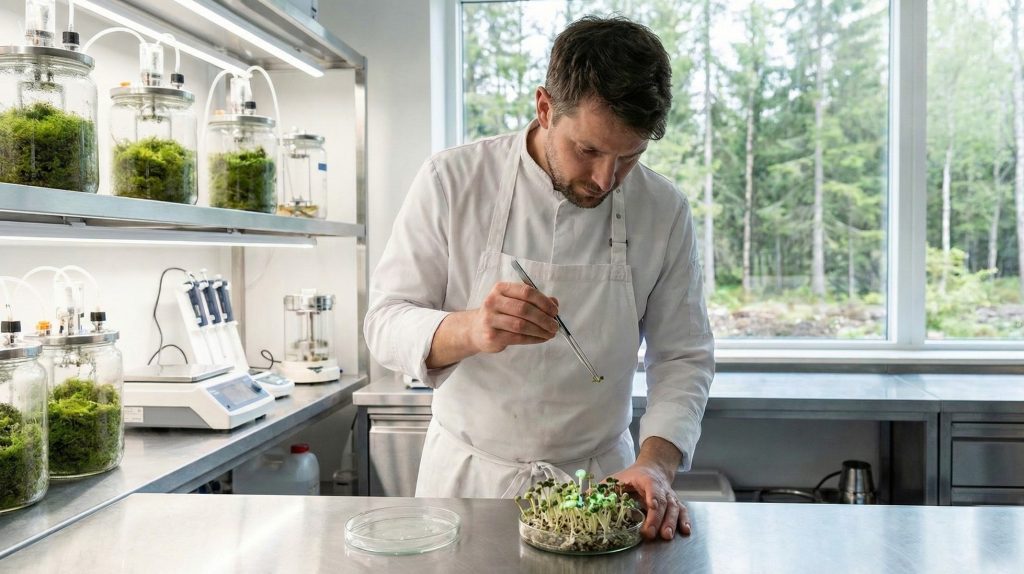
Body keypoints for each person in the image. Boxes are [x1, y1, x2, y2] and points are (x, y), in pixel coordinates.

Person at [364, 15, 714, 541]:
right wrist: (470, 330)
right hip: (469, 483)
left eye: (629, 158)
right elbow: (385, 323)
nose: (604, 180)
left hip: (602, 488)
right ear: (545, 108)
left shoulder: (662, 210)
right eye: (589, 150)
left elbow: (683, 355)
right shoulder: (452, 180)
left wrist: (656, 466)